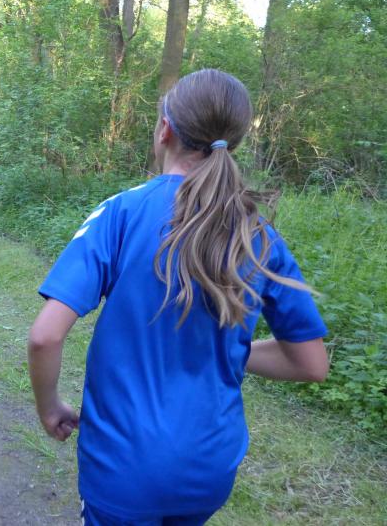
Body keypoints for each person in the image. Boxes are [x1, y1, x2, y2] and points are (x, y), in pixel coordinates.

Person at [27, 69, 329, 526]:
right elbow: (311, 364)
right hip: (209, 469)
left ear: (165, 129)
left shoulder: (121, 212)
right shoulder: (258, 236)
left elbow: (45, 336)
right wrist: (227, 348)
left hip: (123, 467)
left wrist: (50, 407)